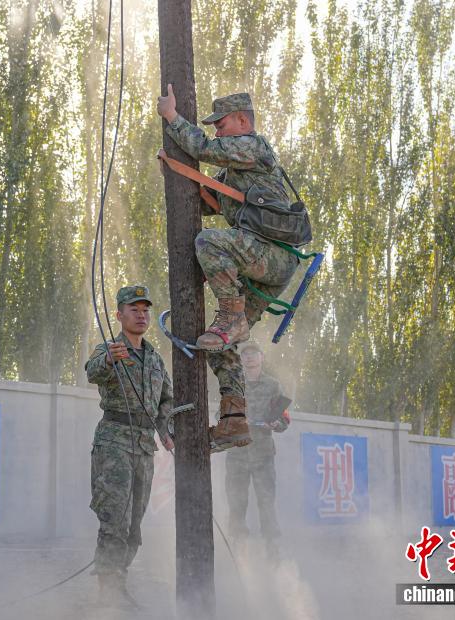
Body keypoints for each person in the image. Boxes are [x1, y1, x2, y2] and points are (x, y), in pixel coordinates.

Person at [156, 85, 299, 452]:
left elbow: (204, 148)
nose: (217, 131)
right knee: (221, 343)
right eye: (215, 126)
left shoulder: (252, 146)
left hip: (272, 255)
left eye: (221, 124)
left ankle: (231, 317)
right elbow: (208, 202)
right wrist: (173, 173)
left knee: (209, 242)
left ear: (242, 120)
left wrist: (172, 116)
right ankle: (235, 418)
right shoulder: (239, 170)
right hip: (265, 265)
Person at [85, 285, 174, 606]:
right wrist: (109, 359)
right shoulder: (110, 350)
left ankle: (118, 580)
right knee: (114, 519)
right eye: (133, 309)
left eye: (145, 309)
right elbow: (91, 372)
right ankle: (108, 592)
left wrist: (167, 430)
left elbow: (167, 399)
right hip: (114, 443)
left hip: (143, 447)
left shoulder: (154, 358)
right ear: (119, 315)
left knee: (135, 522)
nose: (141, 314)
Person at [224, 341, 290, 563]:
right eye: (245, 354)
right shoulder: (233, 384)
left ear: (262, 357)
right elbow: (220, 415)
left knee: (266, 503)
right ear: (241, 359)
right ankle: (238, 552)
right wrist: (234, 421)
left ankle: (273, 553)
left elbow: (284, 418)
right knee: (236, 503)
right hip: (237, 454)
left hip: (262, 453)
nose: (249, 357)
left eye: (254, 353)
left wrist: (276, 424)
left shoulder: (273, 385)